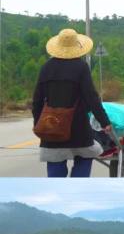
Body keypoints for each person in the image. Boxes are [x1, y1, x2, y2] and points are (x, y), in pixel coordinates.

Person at [32, 29, 112, 177]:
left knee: (55, 160)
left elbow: (36, 100)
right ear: (76, 46)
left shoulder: (46, 67)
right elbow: (91, 97)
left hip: (52, 125)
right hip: (78, 127)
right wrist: (104, 122)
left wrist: (39, 123)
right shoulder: (81, 67)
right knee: (85, 157)